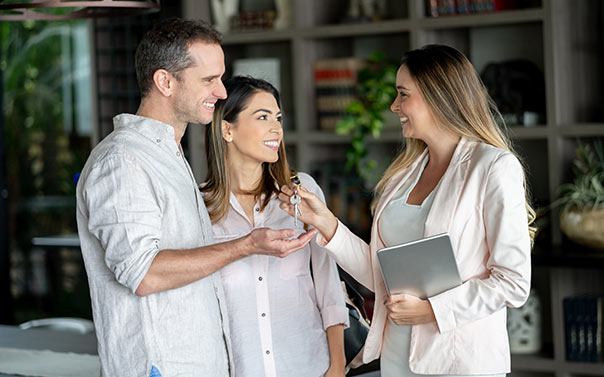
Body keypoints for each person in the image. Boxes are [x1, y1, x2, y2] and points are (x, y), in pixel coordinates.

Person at [75, 19, 316, 377]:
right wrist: (245, 246)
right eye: (209, 80)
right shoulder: (123, 161)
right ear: (165, 82)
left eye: (220, 78)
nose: (221, 93)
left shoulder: (168, 155)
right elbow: (143, 274)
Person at [279, 44, 535, 377]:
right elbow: (384, 276)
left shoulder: (493, 167)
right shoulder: (405, 173)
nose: (393, 106)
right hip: (398, 358)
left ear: (438, 96)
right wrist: (325, 223)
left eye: (403, 95)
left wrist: (431, 310)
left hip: (461, 364)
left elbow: (513, 282)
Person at [200, 76, 349, 377]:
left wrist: (337, 365)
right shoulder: (200, 206)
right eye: (263, 117)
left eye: (278, 117)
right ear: (227, 129)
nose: (277, 128)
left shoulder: (302, 192)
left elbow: (328, 285)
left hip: (309, 366)